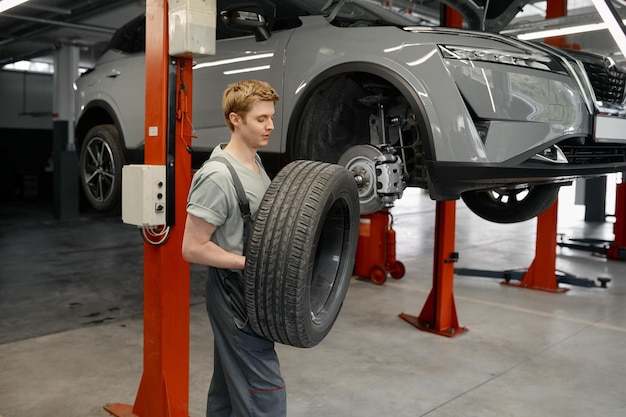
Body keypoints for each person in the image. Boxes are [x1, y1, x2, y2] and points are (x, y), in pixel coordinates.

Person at [182, 79, 285, 417]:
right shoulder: (218, 177)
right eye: (261, 119)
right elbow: (192, 248)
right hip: (233, 294)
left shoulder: (256, 165)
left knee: (229, 387)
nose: (270, 125)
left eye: (271, 116)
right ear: (236, 120)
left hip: (252, 291)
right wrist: (250, 263)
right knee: (263, 394)